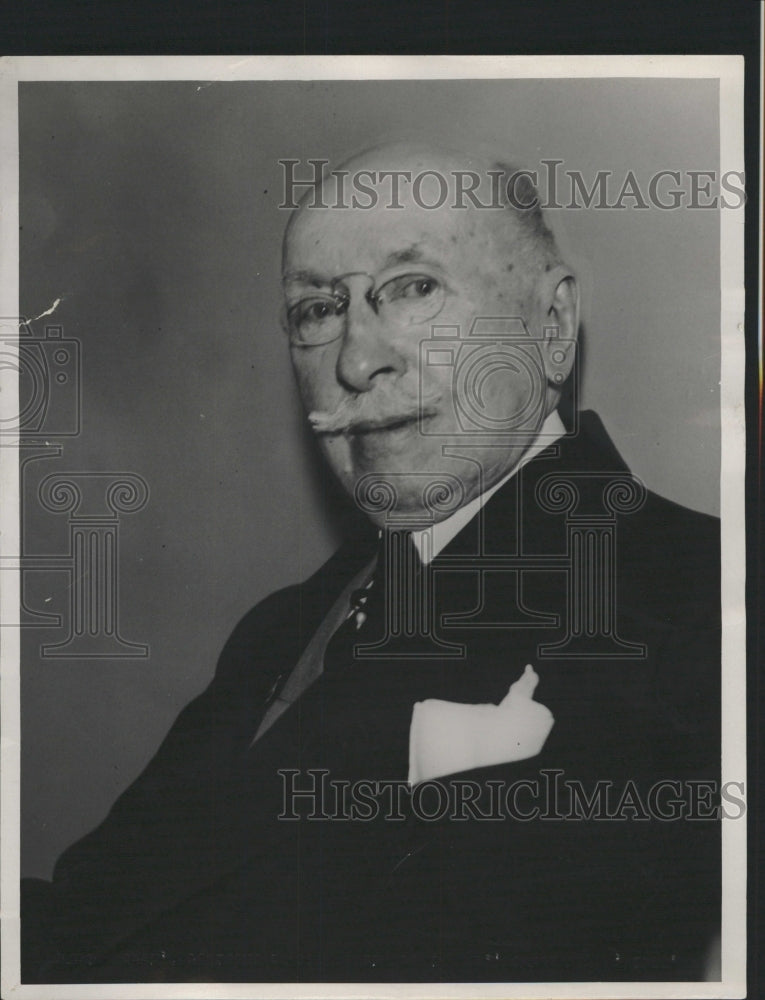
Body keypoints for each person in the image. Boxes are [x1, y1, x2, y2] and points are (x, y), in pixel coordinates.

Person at [21, 142, 721, 984]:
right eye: (316, 310)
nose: (355, 361)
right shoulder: (284, 624)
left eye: (414, 288)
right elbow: (92, 917)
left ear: (550, 328)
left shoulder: (697, 601)